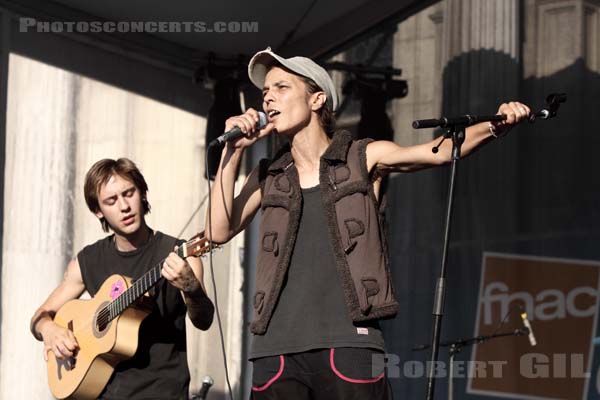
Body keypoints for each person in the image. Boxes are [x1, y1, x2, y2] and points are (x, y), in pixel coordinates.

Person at [206, 47, 531, 400]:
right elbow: (217, 231)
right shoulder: (268, 174)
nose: (268, 97)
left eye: (281, 87)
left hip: (348, 344)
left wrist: (495, 124)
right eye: (265, 91)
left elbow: (433, 151)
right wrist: (232, 153)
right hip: (276, 350)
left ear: (316, 99)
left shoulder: (363, 156)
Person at [30, 158, 214, 400]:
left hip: (163, 393)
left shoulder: (179, 254)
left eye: (129, 193)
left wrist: (191, 288)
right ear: (98, 210)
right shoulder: (89, 260)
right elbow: (40, 316)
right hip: (102, 393)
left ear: (143, 193)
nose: (124, 206)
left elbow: (204, 320)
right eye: (111, 201)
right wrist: (50, 329)